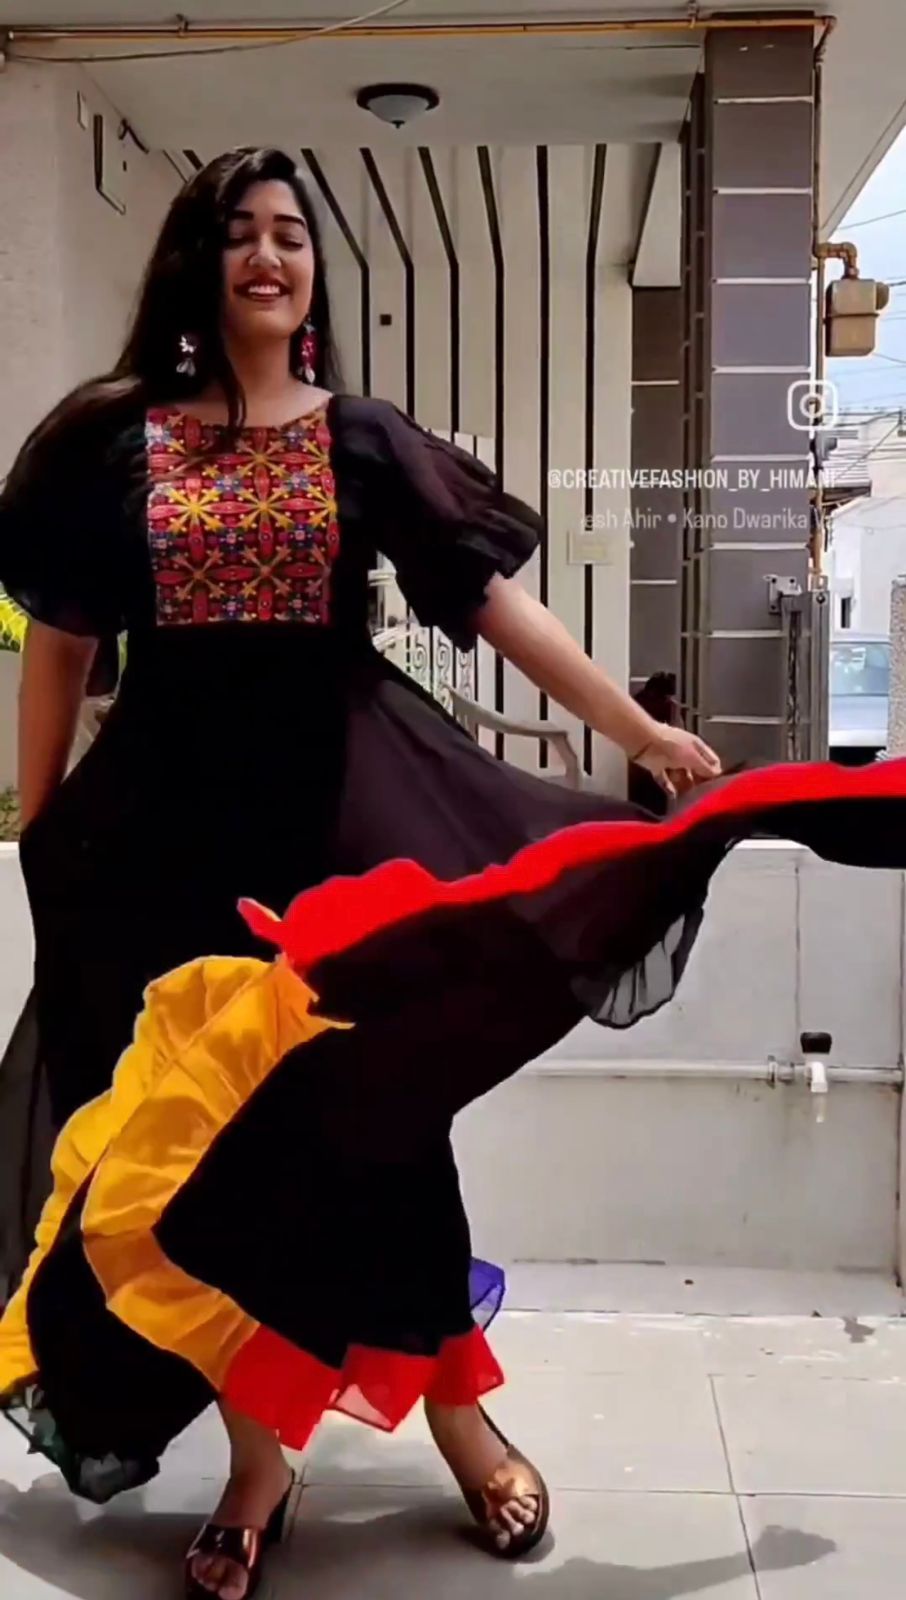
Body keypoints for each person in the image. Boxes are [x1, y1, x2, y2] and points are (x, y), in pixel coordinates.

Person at [0, 146, 904, 1600]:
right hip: (168, 837)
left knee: (384, 1124)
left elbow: (489, 605)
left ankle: (458, 1419)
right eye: (239, 234)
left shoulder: (359, 440)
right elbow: (59, 645)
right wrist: (43, 824)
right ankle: (258, 1461)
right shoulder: (120, 447)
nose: (269, 257)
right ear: (195, 263)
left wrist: (637, 731)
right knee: (211, 1159)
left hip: (344, 825)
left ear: (314, 271)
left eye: (292, 234)